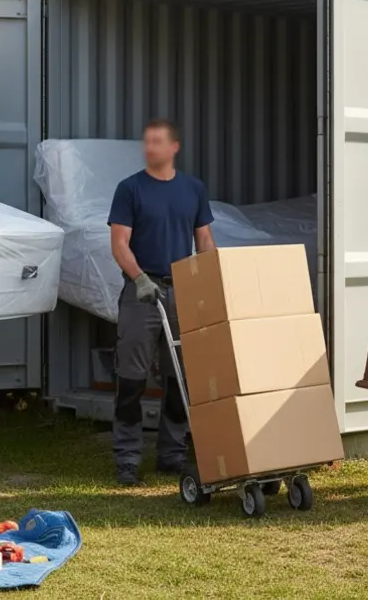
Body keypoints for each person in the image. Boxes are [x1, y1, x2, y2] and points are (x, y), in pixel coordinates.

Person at [107, 119, 216, 486]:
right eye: (146, 143)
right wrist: (139, 279)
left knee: (180, 377)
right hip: (142, 292)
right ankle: (127, 458)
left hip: (181, 289)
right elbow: (119, 243)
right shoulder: (130, 189)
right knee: (132, 378)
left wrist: (209, 281)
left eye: (157, 142)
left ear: (174, 148)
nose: (149, 148)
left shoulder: (193, 190)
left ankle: (172, 454)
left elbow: (204, 240)